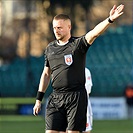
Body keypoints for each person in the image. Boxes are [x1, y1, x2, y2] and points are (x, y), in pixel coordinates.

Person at [33, 4, 124, 133]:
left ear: (69, 27)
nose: (56, 30)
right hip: (56, 97)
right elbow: (46, 74)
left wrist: (109, 19)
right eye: (54, 28)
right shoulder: (50, 48)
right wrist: (38, 100)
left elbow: (94, 33)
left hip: (76, 97)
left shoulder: (77, 45)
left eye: (59, 27)